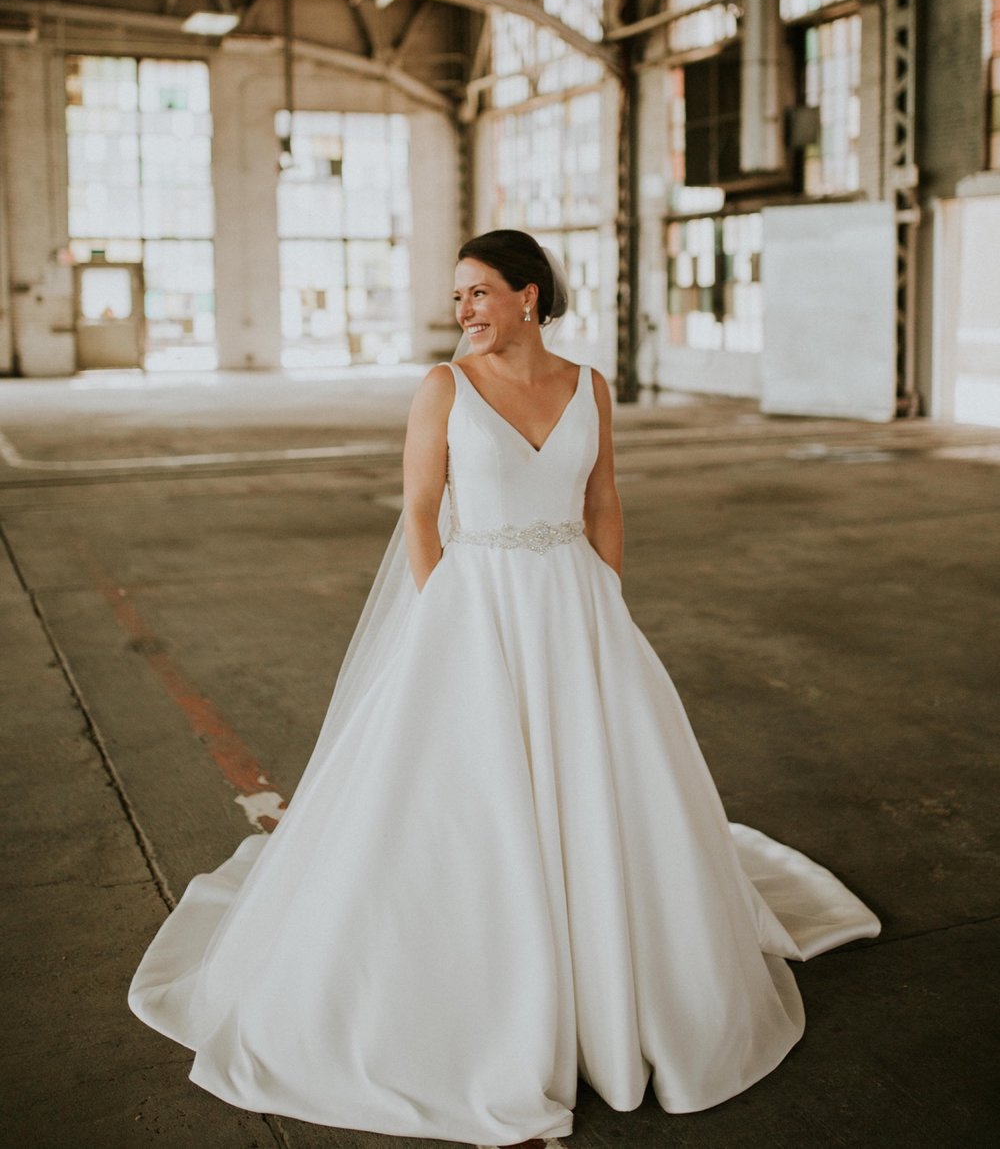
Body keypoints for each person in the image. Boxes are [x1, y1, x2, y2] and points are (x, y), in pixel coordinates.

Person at [129, 227, 879, 1148]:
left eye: (480, 293)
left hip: (576, 607)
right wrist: (444, 608)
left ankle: (613, 981)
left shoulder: (589, 387)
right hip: (472, 607)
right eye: (458, 299)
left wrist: (604, 594)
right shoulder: (443, 388)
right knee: (470, 803)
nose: (465, 313)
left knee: (599, 790)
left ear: (531, 295)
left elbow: (604, 501)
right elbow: (417, 510)